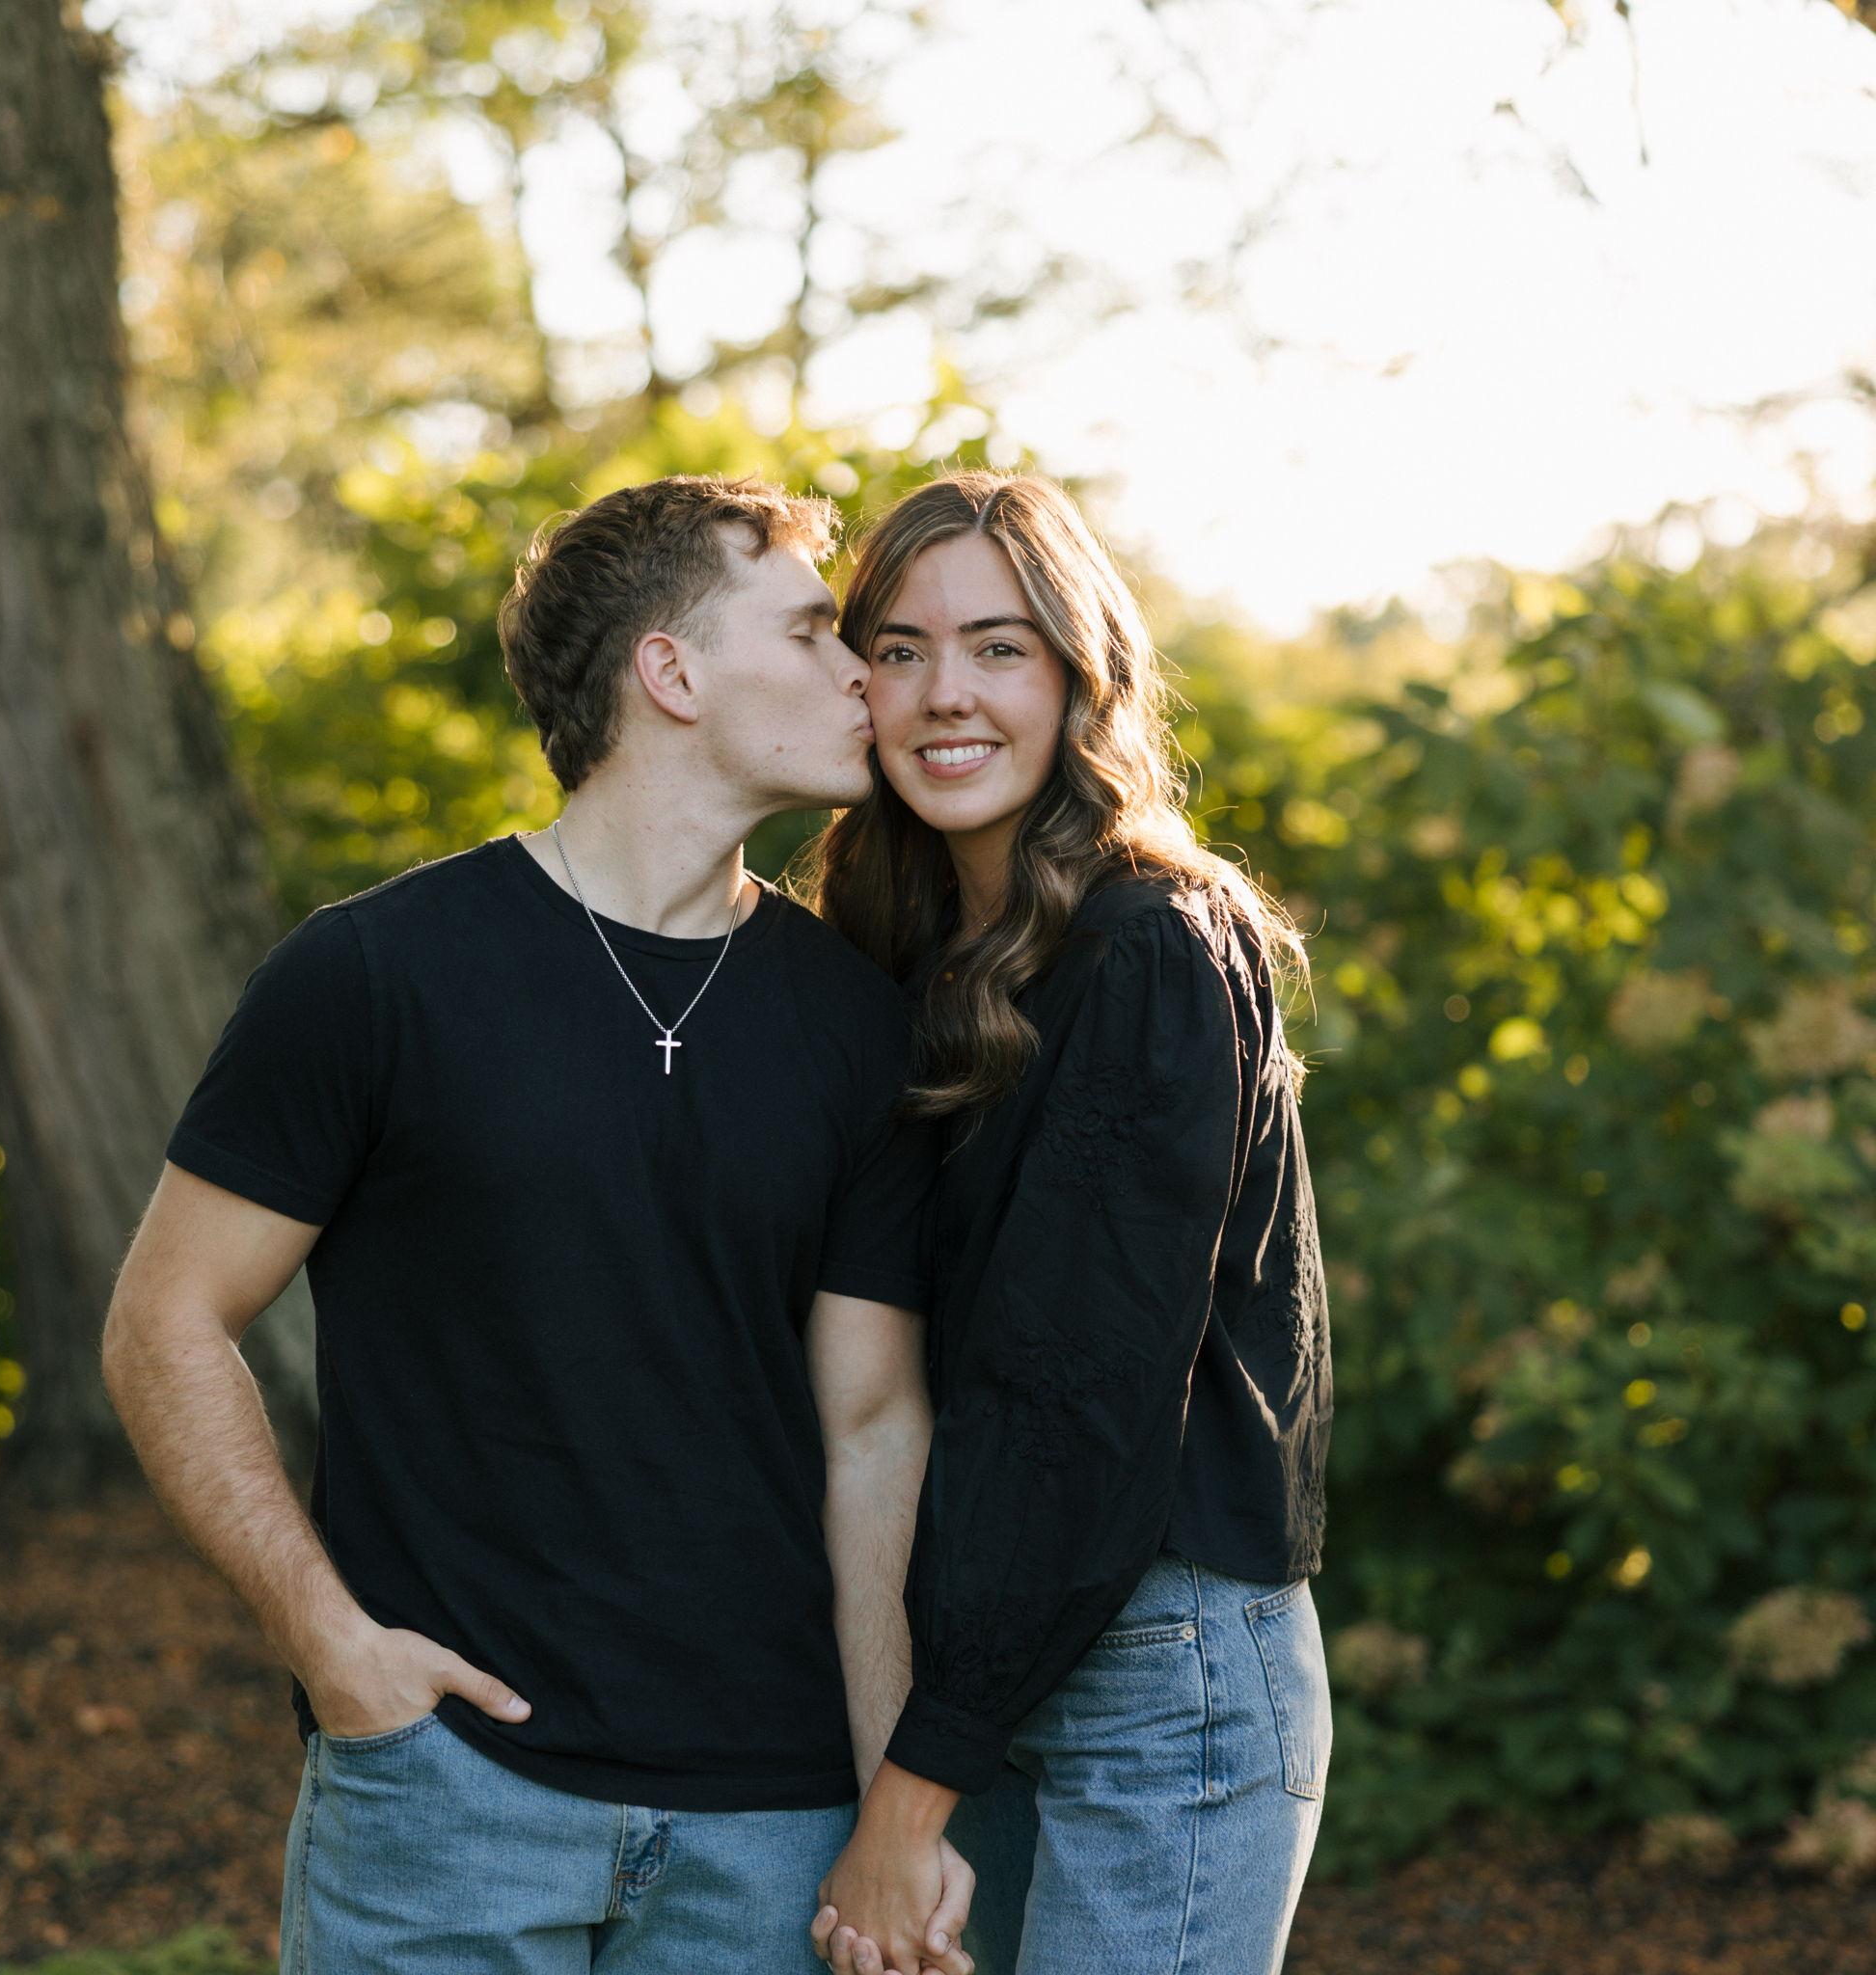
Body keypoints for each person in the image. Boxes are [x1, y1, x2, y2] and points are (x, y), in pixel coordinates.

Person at [100, 475, 976, 1973]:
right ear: (671, 671)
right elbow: (163, 1323)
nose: (865, 677)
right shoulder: (376, 976)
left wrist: (893, 1810)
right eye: (814, 633)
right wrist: (332, 1648)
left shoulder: (856, 1024)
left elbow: (875, 1429)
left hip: (769, 1829)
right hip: (448, 1797)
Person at [802, 472, 1335, 1975]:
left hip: (1162, 1675)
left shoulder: (1153, 945)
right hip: (984, 1660)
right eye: (899, 649)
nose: (944, 693)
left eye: (999, 647)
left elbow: (1076, 1400)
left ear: (1080, 677)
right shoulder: (920, 954)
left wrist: (910, 1794)